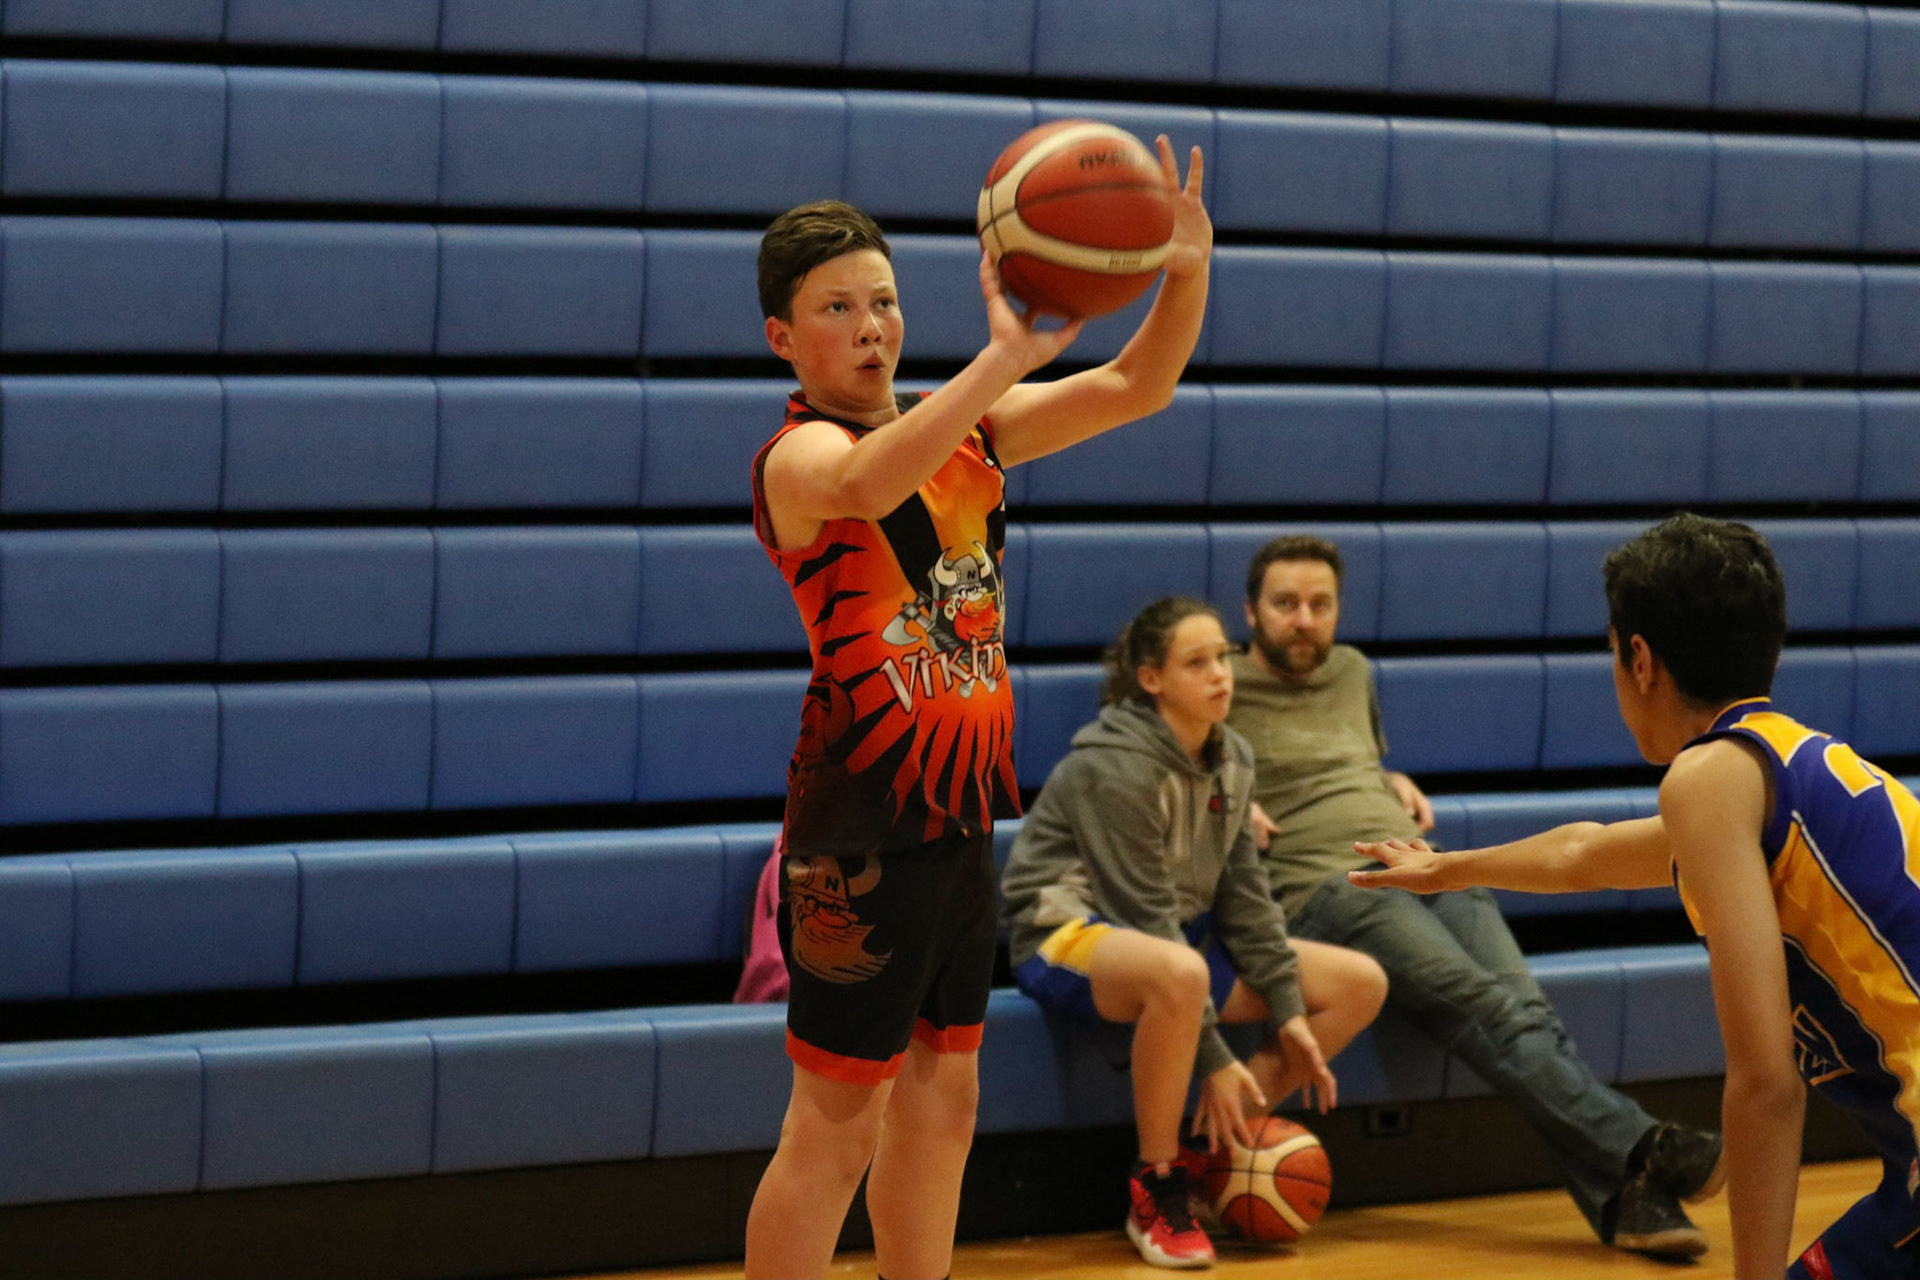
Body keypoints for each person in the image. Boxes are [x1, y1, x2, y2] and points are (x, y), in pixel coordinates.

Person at [745, 137, 1212, 1280]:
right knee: (836, 1126)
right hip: (856, 834)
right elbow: (869, 482)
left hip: (956, 819)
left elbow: (1137, 386)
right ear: (783, 338)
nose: (872, 326)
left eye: (885, 300)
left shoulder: (972, 433)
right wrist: (1003, 359)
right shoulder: (797, 455)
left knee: (946, 1096)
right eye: (838, 307)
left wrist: (1184, 271)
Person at [1351, 514, 1920, 1280]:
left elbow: (1766, 1083)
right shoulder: (1781, 766)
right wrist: (1448, 868)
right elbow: (1588, 853)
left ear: (1640, 659)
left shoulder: (1709, 777)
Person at [1223, 533, 1726, 1258]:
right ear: (1250, 611)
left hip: (1420, 860)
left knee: (1525, 1010)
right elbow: (1169, 768)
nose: (1304, 620)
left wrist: (1387, 781)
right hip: (1331, 885)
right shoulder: (1222, 683)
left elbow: (1347, 762)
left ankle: (1629, 1202)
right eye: (1285, 604)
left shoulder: (1351, 672)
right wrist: (1230, 802)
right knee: (1488, 1006)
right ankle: (1649, 1143)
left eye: (1320, 604)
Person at [1002, 596, 1387, 1268]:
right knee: (1179, 974)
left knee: (1359, 983)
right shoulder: (1112, 766)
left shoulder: (1231, 755)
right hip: (1064, 934)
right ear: (1151, 679)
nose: (1220, 675)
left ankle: (1214, 1152)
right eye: (1197, 662)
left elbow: (1245, 895)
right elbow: (1139, 911)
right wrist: (1212, 1058)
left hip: (1172, 937)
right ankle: (1156, 1185)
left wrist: (1289, 1011)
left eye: (1225, 658)